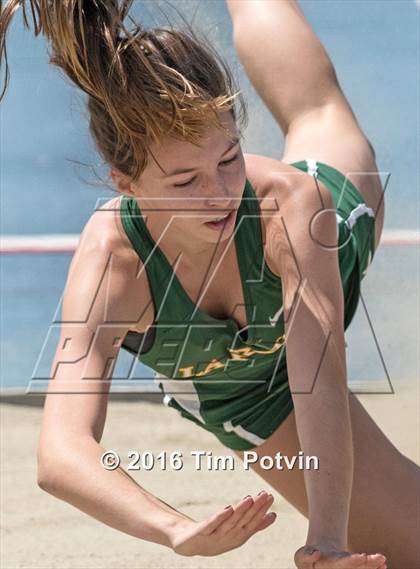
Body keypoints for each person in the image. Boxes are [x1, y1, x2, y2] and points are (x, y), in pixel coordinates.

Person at [1, 1, 418, 567]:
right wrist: (175, 529)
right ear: (124, 182)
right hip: (247, 396)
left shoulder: (291, 205)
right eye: (183, 180)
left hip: (331, 234)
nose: (220, 194)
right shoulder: (113, 264)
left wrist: (326, 537)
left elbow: (319, 382)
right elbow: (61, 454)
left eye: (228, 159)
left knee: (316, 113)